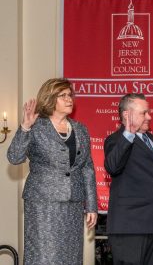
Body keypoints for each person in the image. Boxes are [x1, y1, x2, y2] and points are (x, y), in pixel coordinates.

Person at [7, 78, 98, 264]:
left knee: (70, 257)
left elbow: (87, 168)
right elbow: (14, 158)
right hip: (43, 203)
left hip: (73, 202)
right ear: (50, 99)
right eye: (63, 95)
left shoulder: (80, 129)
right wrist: (24, 127)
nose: (69, 99)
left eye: (70, 95)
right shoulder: (36, 126)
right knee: (44, 257)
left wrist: (91, 205)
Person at [104, 93, 153, 264]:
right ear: (127, 115)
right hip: (130, 227)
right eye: (144, 113)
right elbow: (112, 167)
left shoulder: (152, 139)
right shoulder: (116, 140)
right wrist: (128, 135)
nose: (149, 116)